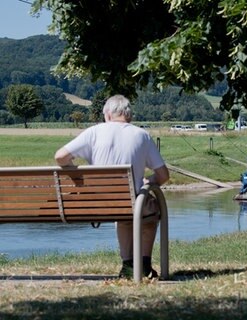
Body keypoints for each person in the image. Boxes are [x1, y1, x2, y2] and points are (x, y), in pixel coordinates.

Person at [54, 94, 169, 279]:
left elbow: (60, 157)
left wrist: (75, 171)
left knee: (123, 215)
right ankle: (144, 265)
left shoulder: (93, 132)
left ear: (107, 114)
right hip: (132, 203)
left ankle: (128, 265)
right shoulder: (142, 135)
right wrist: (149, 181)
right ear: (128, 115)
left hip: (100, 204)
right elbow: (164, 176)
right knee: (151, 211)